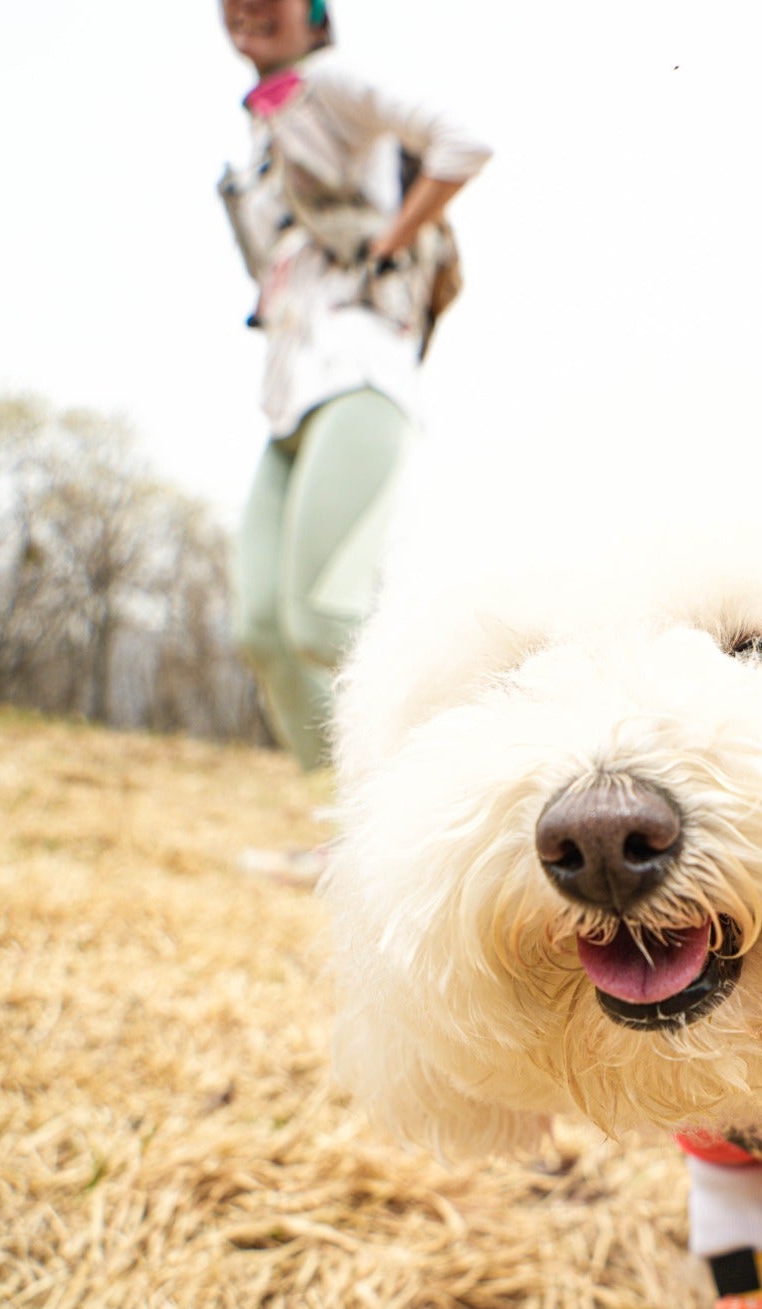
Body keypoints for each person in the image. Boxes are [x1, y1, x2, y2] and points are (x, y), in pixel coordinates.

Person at [217, 0, 489, 885]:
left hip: (363, 378)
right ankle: (352, 837)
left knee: (322, 616)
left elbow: (462, 141)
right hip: (289, 397)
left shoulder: (330, 84)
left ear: (315, 13)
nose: (247, 9)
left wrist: (390, 241)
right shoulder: (259, 135)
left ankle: (467, 780)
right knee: (264, 628)